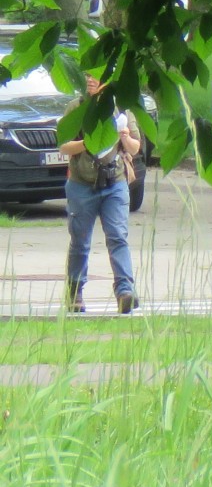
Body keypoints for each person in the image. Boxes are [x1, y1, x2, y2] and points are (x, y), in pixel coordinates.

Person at [59, 75, 143, 315]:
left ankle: (125, 292)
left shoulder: (121, 107)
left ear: (108, 81)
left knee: (118, 236)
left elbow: (136, 148)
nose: (90, 80)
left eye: (96, 77)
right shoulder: (77, 107)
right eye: (87, 76)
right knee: (80, 242)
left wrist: (124, 136)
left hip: (114, 183)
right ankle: (75, 292)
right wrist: (90, 143)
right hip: (81, 184)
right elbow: (63, 145)